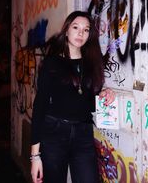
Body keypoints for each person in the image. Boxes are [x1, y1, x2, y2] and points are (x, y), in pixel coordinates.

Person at [30, 11, 114, 183]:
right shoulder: (52, 63)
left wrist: (103, 94)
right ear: (67, 30)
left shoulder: (91, 64)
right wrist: (35, 157)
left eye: (86, 29)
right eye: (76, 27)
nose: (80, 33)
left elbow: (88, 103)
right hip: (54, 134)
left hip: (83, 134)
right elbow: (40, 107)